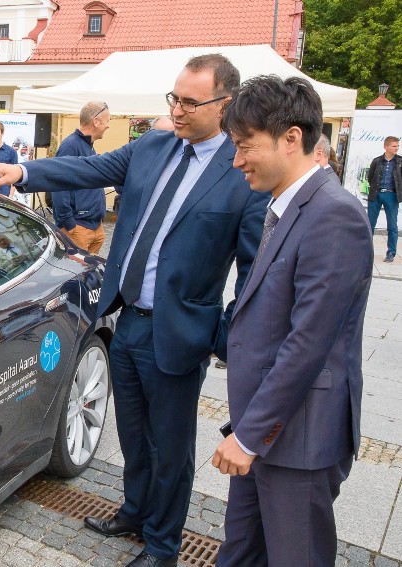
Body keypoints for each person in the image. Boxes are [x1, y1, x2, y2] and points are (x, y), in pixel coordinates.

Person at [0, 54, 268, 567]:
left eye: (190, 102)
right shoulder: (152, 146)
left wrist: (222, 332)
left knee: (170, 449)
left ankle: (162, 546)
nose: (177, 110)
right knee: (132, 432)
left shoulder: (239, 172)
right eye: (173, 98)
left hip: (179, 334)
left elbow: (253, 270)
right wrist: (21, 170)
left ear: (226, 105)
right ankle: (134, 510)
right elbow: (85, 167)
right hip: (126, 317)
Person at [213, 75, 372, 567]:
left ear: (291, 138)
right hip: (264, 431)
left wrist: (250, 433)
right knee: (240, 553)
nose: (237, 161)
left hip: (297, 438)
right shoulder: (286, 207)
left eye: (245, 147)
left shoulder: (333, 214)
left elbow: (310, 343)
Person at [52, 101, 111, 254]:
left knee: (90, 276)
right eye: (107, 121)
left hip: (94, 227)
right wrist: (69, 224)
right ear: (96, 121)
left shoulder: (88, 145)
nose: (108, 126)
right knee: (77, 276)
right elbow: (58, 185)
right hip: (79, 228)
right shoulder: (70, 146)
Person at [367, 136, 401, 262]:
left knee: (392, 226)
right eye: (394, 146)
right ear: (386, 146)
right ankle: (366, 251)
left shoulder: (400, 162)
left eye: (397, 146)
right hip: (376, 194)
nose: (396, 148)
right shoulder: (377, 161)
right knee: (370, 225)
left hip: (391, 195)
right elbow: (370, 177)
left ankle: (391, 252)